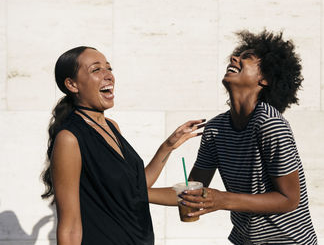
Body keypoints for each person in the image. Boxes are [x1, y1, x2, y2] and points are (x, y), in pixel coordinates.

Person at [41, 46, 205, 245]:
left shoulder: (112, 127)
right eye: (96, 70)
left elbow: (135, 187)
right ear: (72, 84)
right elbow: (70, 226)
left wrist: (168, 146)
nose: (108, 75)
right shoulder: (69, 138)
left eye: (108, 68)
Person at [180, 30, 318, 244]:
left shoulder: (270, 123)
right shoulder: (215, 128)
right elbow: (192, 190)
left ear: (265, 79)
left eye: (247, 57)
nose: (234, 58)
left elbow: (290, 200)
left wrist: (223, 200)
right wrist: (136, 190)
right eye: (238, 55)